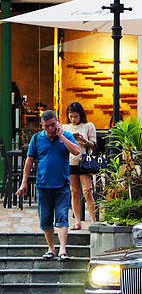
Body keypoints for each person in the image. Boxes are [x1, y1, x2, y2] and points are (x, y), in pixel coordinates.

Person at [16, 110, 80, 260]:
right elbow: (29, 160)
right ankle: (51, 248)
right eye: (47, 126)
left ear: (57, 122)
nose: (50, 129)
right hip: (43, 185)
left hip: (62, 184)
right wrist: (24, 182)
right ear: (42, 126)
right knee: (45, 219)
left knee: (62, 217)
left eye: (53, 125)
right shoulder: (37, 139)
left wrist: (61, 136)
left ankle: (62, 249)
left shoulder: (66, 136)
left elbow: (77, 151)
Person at [62, 102, 97, 229]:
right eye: (70, 116)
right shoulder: (65, 127)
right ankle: (77, 221)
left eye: (75, 116)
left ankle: (94, 220)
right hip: (70, 162)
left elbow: (94, 146)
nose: (73, 119)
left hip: (83, 161)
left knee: (87, 192)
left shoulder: (88, 126)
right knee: (74, 191)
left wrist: (84, 140)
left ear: (80, 115)